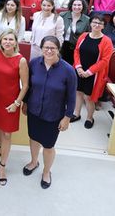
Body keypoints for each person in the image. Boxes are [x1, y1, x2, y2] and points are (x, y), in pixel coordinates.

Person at [22, 36, 76, 189]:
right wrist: (25, 103)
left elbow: (72, 97)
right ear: (41, 48)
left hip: (53, 115)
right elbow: (28, 86)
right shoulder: (33, 64)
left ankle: (46, 171)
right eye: (46, 47)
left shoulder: (68, 70)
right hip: (34, 110)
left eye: (53, 48)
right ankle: (34, 162)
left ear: (58, 49)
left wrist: (67, 117)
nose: (49, 51)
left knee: (48, 145)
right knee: (33, 138)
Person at [0, 30, 29, 184]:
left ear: (16, 42)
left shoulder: (21, 60)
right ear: (1, 40)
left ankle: (3, 165)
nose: (8, 42)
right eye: (5, 39)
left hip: (11, 102)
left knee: (7, 134)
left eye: (11, 39)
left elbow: (25, 86)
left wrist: (17, 103)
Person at [70, 14, 113, 129]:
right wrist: (78, 67)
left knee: (88, 97)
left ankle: (90, 117)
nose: (97, 25)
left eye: (100, 23)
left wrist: (89, 72)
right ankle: (76, 114)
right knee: (78, 93)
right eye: (94, 22)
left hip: (94, 74)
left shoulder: (106, 41)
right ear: (90, 23)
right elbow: (77, 51)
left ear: (104, 26)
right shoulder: (84, 36)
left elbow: (105, 61)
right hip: (79, 70)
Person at [59, 0, 90, 65]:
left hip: (75, 48)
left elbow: (88, 36)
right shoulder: (62, 15)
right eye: (74, 5)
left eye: (79, 5)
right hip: (61, 46)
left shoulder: (87, 20)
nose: (77, 7)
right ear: (71, 5)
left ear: (83, 6)